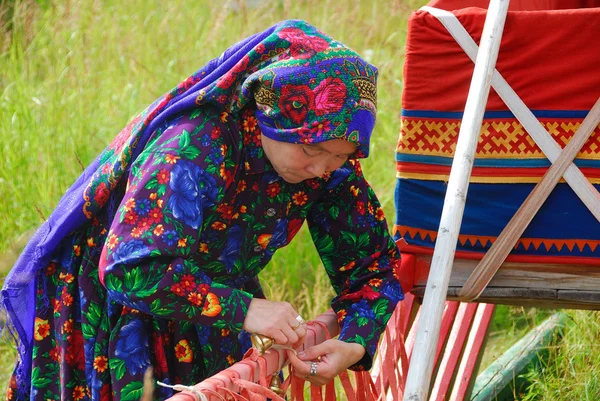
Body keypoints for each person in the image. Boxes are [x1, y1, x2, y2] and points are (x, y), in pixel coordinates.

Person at [2, 19, 404, 401]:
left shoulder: (328, 163)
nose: (320, 168)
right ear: (271, 117)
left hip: (210, 305)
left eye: (340, 157)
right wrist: (244, 308)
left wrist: (353, 342)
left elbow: (373, 267)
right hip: (121, 305)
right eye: (311, 150)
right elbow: (129, 267)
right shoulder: (198, 146)